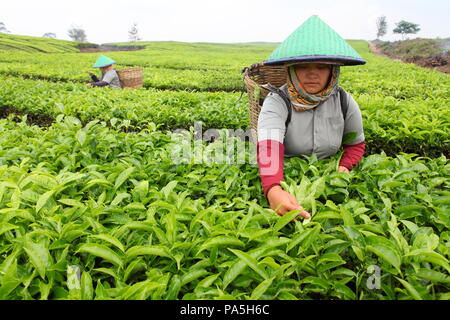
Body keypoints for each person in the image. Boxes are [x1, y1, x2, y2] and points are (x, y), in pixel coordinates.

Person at [256, 16, 366, 219]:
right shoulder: (277, 101)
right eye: (303, 66)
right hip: (285, 175)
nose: (312, 73)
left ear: (333, 71)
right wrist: (273, 189)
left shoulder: (343, 100)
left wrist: (344, 166)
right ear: (291, 70)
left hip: (327, 180)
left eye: (322, 67)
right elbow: (269, 146)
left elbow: (355, 144)